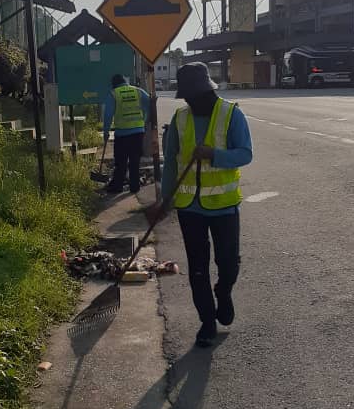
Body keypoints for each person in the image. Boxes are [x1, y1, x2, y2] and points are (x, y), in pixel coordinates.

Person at [154, 62, 253, 348]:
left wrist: (214, 154)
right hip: (190, 209)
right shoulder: (180, 119)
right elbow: (171, 161)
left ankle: (223, 292)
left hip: (224, 206)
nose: (188, 101)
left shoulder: (231, 114)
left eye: (192, 96)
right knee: (197, 268)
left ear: (205, 92)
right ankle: (207, 323)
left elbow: (245, 154)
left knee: (228, 264)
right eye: (185, 97)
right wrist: (166, 199)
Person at [102, 74, 150, 195]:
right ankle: (135, 187)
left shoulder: (114, 93)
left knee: (121, 161)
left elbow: (108, 115)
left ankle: (117, 186)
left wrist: (106, 132)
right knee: (135, 160)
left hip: (122, 134)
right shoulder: (138, 91)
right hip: (138, 133)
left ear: (114, 84)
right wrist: (145, 120)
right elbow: (150, 103)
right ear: (125, 82)